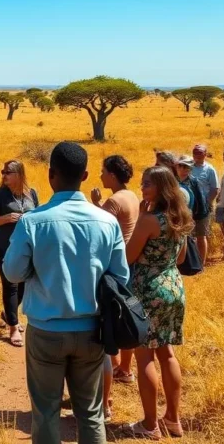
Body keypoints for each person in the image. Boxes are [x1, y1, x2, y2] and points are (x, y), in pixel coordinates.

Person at [4, 142, 129, 444]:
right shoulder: (106, 221)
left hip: (46, 331)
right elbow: (121, 276)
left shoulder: (32, 221)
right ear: (85, 176)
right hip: (92, 331)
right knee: (90, 412)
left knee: (45, 411)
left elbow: (12, 272)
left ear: (50, 175)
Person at [125, 166, 193, 439]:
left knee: (144, 358)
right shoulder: (181, 217)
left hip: (148, 291)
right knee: (167, 353)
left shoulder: (149, 220)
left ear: (163, 187)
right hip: (173, 288)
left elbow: (129, 256)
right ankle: (173, 420)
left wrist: (141, 216)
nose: (142, 188)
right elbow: (179, 259)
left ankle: (150, 425)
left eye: (148, 184)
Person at [90, 155, 140, 419]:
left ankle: (105, 398)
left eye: (103, 172)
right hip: (130, 264)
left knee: (108, 326)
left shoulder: (114, 201)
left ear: (112, 175)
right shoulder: (131, 195)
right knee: (126, 316)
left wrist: (97, 205)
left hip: (113, 266)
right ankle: (126, 370)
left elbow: (100, 229)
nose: (100, 176)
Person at [0, 160, 40, 348]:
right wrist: (7, 218)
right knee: (11, 285)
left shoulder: (31, 193)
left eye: (8, 172)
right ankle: (13, 327)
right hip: (3, 246)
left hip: (26, 246)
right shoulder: (0, 195)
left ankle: (9, 314)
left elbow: (38, 216)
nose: (4, 175)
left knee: (23, 283)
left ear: (19, 174)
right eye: (3, 172)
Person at [190, 144, 219, 263]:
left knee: (201, 235)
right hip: (189, 205)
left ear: (205, 154)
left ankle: (201, 263)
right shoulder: (188, 167)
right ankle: (191, 261)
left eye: (199, 152)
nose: (197, 154)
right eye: (195, 152)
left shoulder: (209, 169)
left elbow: (215, 189)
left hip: (203, 206)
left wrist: (207, 203)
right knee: (189, 235)